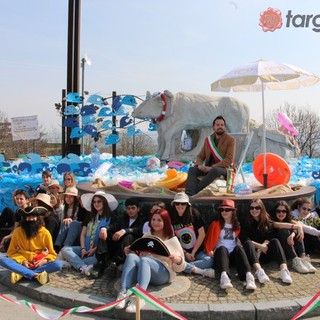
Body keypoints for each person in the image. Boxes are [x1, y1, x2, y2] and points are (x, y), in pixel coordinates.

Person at [115, 208, 186, 313]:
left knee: (145, 260)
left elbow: (181, 266)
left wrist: (178, 260)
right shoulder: (147, 236)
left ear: (165, 222)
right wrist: (129, 251)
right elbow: (138, 255)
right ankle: (123, 293)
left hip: (163, 274)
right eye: (153, 219)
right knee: (131, 257)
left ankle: (140, 296)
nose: (155, 223)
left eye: (159, 220)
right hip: (144, 270)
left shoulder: (172, 240)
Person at [239, 198, 304, 284]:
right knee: (248, 243)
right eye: (252, 208)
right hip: (253, 254)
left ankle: (284, 270)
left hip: (265, 253)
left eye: (257, 208)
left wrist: (264, 245)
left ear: (261, 208)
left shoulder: (266, 221)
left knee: (275, 240)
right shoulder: (245, 221)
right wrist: (259, 246)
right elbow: (244, 238)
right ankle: (259, 271)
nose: (254, 210)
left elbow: (270, 235)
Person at [60, 191, 118, 276]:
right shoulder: (89, 216)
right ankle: (83, 267)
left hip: (97, 252)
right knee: (65, 250)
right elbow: (83, 234)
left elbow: (109, 239)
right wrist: (83, 248)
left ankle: (76, 263)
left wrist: (94, 249)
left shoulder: (111, 217)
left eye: (99, 201)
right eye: (94, 202)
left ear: (104, 202)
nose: (96, 204)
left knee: (94, 261)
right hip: (85, 247)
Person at [0, 206, 62, 284]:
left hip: (38, 264)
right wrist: (23, 261)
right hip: (22, 263)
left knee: (58, 265)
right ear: (25, 219)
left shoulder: (45, 233)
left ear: (38, 218)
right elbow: (11, 252)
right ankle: (34, 275)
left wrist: (42, 262)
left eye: (33, 217)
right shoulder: (17, 232)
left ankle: (21, 273)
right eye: (28, 217)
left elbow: (52, 253)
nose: (31, 219)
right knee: (1, 259)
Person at [204, 199, 256, 290]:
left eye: (227, 210)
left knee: (239, 248)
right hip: (221, 255)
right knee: (222, 248)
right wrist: (209, 251)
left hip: (233, 256)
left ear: (232, 212)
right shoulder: (215, 224)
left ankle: (249, 276)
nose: (224, 212)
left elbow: (243, 238)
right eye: (222, 210)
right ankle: (224, 277)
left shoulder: (237, 225)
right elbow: (208, 239)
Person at [91, 197, 145, 278]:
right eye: (128, 208)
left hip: (131, 246)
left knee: (129, 236)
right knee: (105, 234)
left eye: (133, 208)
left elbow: (139, 230)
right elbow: (115, 225)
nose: (130, 210)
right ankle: (101, 263)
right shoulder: (123, 218)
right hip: (119, 244)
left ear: (138, 209)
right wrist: (105, 228)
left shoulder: (143, 219)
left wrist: (124, 231)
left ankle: (115, 263)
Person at [185, 115, 235, 196]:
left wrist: (212, 167)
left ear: (224, 127)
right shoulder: (208, 140)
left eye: (222, 125)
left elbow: (229, 160)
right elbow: (201, 156)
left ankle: (193, 193)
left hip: (224, 168)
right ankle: (188, 193)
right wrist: (199, 165)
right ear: (213, 127)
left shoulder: (230, 140)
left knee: (214, 171)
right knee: (192, 170)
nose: (220, 127)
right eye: (218, 125)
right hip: (208, 168)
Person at [170, 192, 214, 278]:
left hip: (196, 251)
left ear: (187, 204)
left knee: (209, 261)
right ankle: (198, 270)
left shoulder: (194, 214)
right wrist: (185, 253)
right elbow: (172, 239)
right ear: (174, 204)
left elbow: (202, 234)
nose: (180, 206)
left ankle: (183, 267)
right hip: (181, 251)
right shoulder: (171, 216)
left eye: (183, 203)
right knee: (172, 260)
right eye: (177, 203)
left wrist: (193, 252)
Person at [270, 200, 316, 273]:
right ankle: (295, 261)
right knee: (284, 231)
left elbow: (299, 224)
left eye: (284, 211)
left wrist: (293, 234)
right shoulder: (272, 222)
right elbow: (280, 225)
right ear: (274, 212)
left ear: (287, 212)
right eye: (278, 211)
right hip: (280, 252)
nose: (281, 213)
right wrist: (298, 228)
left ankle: (303, 258)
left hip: (290, 248)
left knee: (298, 232)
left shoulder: (289, 220)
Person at [54, 187, 83, 252]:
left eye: (71, 197)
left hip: (77, 234)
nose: (68, 199)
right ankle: (57, 246)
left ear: (75, 198)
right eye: (67, 196)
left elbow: (79, 222)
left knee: (69, 222)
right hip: (65, 232)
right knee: (65, 222)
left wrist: (70, 220)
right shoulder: (63, 208)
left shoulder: (79, 208)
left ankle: (65, 246)